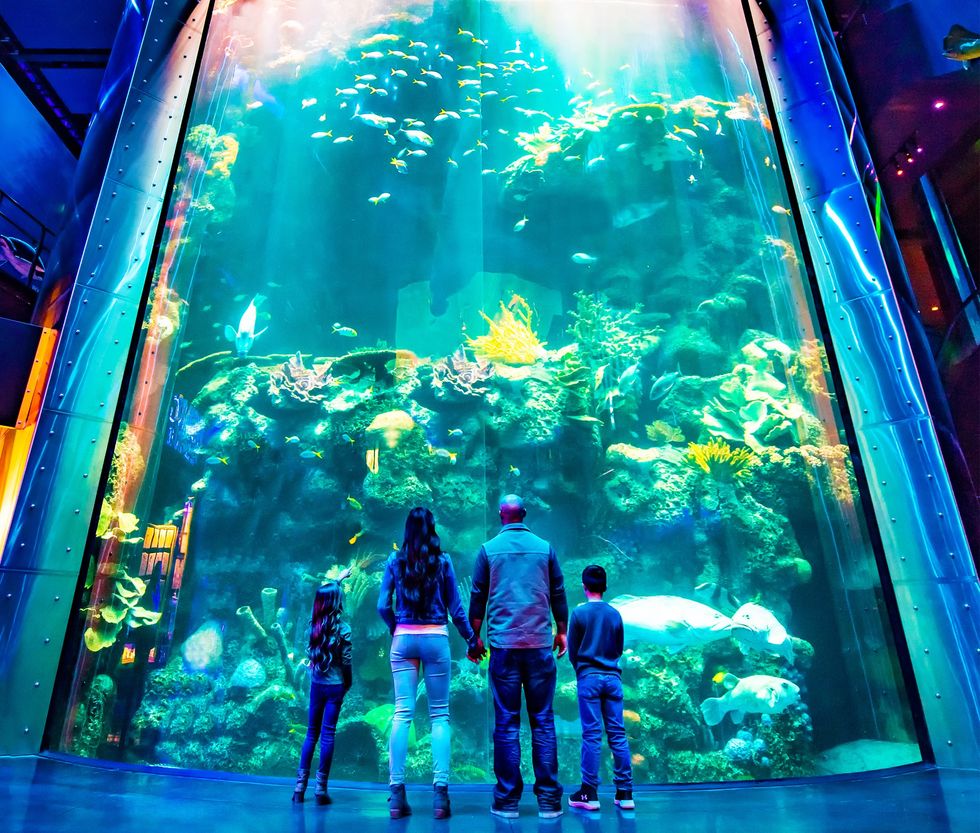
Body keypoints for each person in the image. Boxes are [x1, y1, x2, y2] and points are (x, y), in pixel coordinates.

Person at [468, 494, 568, 819]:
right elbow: (557, 593)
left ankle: (507, 799)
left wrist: (475, 639)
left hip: (504, 647)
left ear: (501, 516)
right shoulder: (545, 548)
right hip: (539, 646)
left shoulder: (487, 550)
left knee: (507, 723)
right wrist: (562, 630)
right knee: (542, 722)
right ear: (524, 514)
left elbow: (478, 598)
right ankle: (549, 801)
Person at [378, 506, 479, 819]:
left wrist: (398, 629)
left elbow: (383, 605)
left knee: (402, 712)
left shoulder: (395, 561)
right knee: (439, 715)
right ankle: (440, 796)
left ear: (407, 530)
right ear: (433, 530)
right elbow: (456, 609)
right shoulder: (443, 561)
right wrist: (472, 640)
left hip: (404, 638)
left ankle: (396, 795)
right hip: (436, 638)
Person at [566, 565, 634, 811]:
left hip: (589, 678)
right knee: (617, 734)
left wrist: (583, 669)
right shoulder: (615, 614)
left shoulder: (579, 613)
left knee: (592, 735)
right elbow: (618, 647)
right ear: (605, 587)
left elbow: (573, 650)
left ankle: (589, 793)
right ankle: (625, 793)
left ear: (584, 587)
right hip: (613, 678)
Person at [292, 580, 352, 805]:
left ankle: (299, 788)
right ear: (338, 603)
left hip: (317, 686)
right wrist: (347, 683)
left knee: (310, 734)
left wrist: (339, 579)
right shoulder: (344, 629)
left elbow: (325, 593)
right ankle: (320, 789)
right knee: (327, 735)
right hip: (336, 687)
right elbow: (346, 662)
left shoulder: (313, 627)